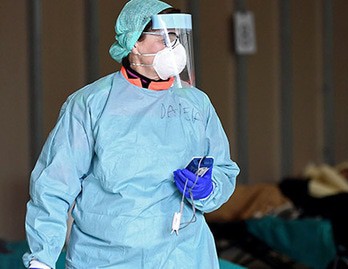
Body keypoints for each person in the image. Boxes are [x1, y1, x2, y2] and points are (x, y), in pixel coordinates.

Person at [23, 0, 240, 268]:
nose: (175, 48)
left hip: (184, 255)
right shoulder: (91, 104)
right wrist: (42, 258)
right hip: (105, 258)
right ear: (134, 42)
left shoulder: (196, 104)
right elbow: (54, 185)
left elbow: (222, 168)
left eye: (176, 38)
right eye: (163, 38)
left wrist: (208, 188)